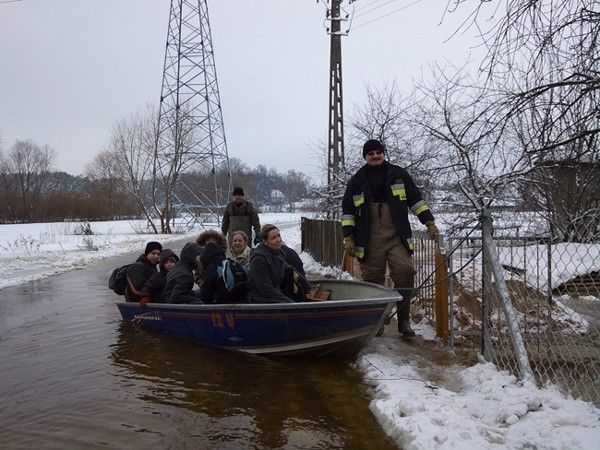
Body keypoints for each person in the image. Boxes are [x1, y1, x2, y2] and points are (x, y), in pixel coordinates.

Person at [341, 139, 439, 337]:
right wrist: (348, 237)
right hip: (369, 239)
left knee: (405, 271)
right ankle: (377, 322)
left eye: (378, 152)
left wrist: (429, 222)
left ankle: (403, 321)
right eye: (371, 153)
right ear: (365, 157)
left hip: (396, 236)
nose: (375, 156)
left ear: (383, 154)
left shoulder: (399, 175)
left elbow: (416, 201)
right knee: (373, 281)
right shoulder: (356, 181)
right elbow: (348, 212)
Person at [247, 224, 311, 304]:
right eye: (273, 238)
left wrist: (306, 286)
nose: (278, 240)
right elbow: (265, 289)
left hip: (277, 293)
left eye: (278, 236)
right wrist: (289, 302)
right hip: (261, 299)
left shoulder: (278, 252)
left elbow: (290, 269)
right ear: (265, 242)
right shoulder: (258, 260)